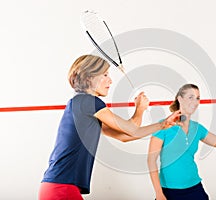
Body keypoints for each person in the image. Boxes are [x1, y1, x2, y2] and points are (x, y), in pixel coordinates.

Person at [38, 55, 180, 200]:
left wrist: (162, 124)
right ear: (89, 78)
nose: (110, 80)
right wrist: (140, 109)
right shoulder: (88, 102)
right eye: (105, 75)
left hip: (55, 187)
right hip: (61, 188)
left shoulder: (82, 106)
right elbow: (131, 129)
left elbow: (125, 137)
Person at [147, 83, 216, 200]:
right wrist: (159, 193)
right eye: (191, 97)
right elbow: (151, 161)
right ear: (180, 99)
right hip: (169, 191)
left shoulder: (197, 128)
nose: (195, 102)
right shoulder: (163, 126)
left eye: (198, 98)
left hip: (194, 188)